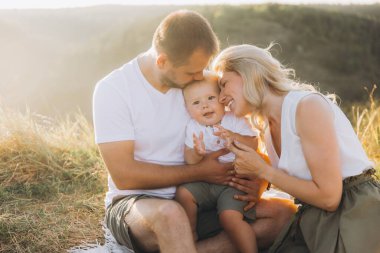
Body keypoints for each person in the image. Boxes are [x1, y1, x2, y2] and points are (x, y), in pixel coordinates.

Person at [93, 10, 296, 253]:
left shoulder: (201, 85)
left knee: (283, 215)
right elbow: (125, 176)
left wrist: (260, 182)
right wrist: (199, 171)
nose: (200, 77)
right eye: (192, 72)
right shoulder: (113, 90)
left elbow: (244, 137)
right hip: (138, 205)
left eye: (203, 68)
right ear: (162, 62)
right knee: (172, 215)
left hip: (204, 197)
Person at [211, 43, 380, 253]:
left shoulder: (306, 106)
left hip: (354, 213)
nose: (221, 98)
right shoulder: (267, 130)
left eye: (224, 84)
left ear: (247, 72)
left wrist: (264, 171)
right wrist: (260, 183)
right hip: (314, 217)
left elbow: (330, 197)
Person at [176, 73, 259, 253]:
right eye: (196, 103)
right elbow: (190, 160)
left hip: (232, 181)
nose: (204, 105)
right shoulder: (193, 126)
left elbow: (254, 144)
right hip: (205, 182)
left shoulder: (234, 119)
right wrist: (197, 153)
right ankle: (190, 237)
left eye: (211, 98)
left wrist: (234, 137)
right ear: (188, 109)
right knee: (183, 193)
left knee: (230, 218)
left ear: (222, 100)